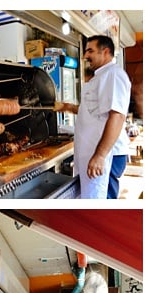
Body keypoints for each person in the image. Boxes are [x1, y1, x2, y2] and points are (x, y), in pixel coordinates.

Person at [57, 35, 131, 198]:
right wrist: (67, 107)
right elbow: (93, 111)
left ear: (105, 52)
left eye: (90, 51)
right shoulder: (100, 77)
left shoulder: (113, 75)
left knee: (102, 202)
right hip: (96, 152)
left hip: (108, 154)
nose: (85, 56)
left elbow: (117, 116)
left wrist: (100, 155)